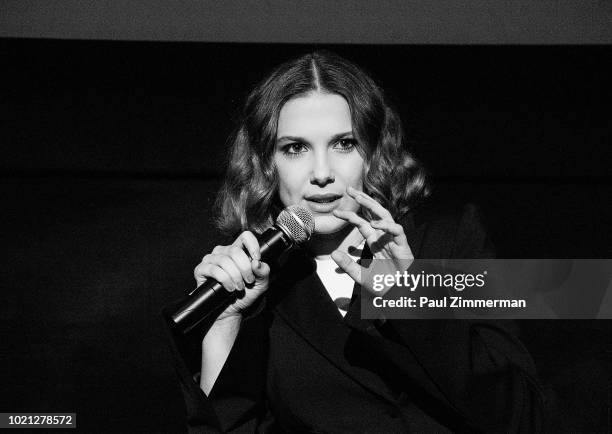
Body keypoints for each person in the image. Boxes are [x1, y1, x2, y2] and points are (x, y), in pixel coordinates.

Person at [164, 50, 544, 433]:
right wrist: (225, 324)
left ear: (374, 153)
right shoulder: (257, 277)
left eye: (344, 144)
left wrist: (409, 299)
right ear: (267, 164)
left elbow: (523, 416)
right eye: (295, 148)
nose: (322, 173)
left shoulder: (448, 239)